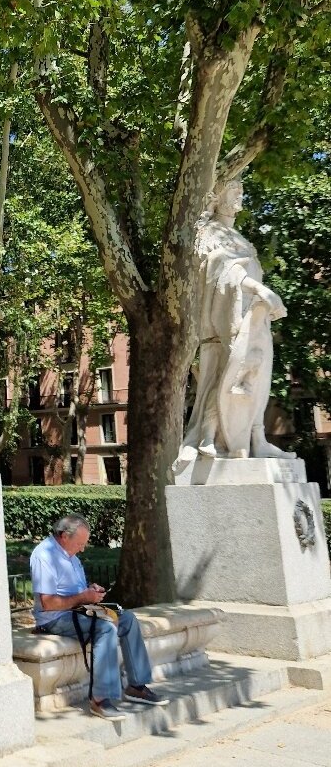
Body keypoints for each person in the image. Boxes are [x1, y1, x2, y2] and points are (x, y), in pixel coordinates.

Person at [174, 177, 295, 467]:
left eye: (241, 190)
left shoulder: (240, 239)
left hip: (252, 319)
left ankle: (257, 439)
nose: (239, 195)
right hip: (222, 324)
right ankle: (209, 435)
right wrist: (259, 289)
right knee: (226, 377)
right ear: (217, 197)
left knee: (257, 378)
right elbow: (218, 270)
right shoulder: (208, 233)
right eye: (233, 190)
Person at [29, 514, 167, 719]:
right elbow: (48, 603)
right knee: (105, 627)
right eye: (80, 543)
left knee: (127, 619)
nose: (83, 549)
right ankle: (100, 699)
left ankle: (136, 685)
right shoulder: (44, 556)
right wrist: (83, 596)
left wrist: (90, 592)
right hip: (55, 619)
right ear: (64, 536)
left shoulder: (70, 555)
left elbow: (73, 592)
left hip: (78, 611)